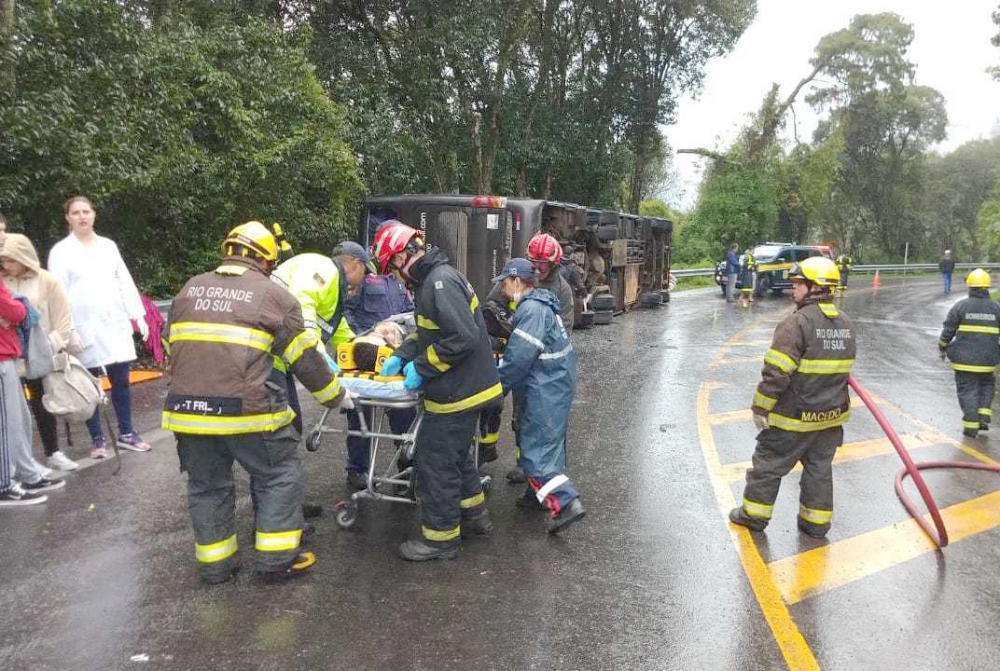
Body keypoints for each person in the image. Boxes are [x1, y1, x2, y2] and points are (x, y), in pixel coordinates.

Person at [162, 221, 356, 584]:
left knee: (207, 485)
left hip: (188, 413)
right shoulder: (273, 296)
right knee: (279, 476)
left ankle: (216, 565)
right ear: (266, 260)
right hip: (247, 412)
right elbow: (304, 358)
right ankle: (276, 560)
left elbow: (172, 348)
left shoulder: (188, 291)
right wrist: (336, 396)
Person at [372, 220, 501, 561]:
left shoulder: (438, 282)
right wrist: (401, 356)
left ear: (402, 257)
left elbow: (462, 337)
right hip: (464, 390)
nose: (395, 277)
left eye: (391, 268)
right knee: (456, 459)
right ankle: (474, 518)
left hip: (458, 393)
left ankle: (440, 540)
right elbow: (427, 333)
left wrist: (422, 368)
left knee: (435, 464)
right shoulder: (433, 280)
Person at [729, 257, 856, 538]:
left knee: (767, 465)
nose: (793, 288)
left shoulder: (796, 323)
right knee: (819, 470)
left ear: (815, 287)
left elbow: (776, 373)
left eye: (799, 283)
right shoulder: (845, 324)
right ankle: (815, 524)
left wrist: (760, 408)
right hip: (829, 419)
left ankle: (753, 516)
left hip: (793, 418)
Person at [48, 196, 151, 458]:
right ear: (68, 218)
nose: (82, 216)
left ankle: (127, 432)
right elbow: (57, 293)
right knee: (89, 382)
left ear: (94, 215)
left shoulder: (108, 246)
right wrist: (66, 329)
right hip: (82, 327)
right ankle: (97, 439)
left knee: (121, 380)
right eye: (76, 213)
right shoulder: (61, 252)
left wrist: (138, 315)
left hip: (113, 323)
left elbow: (124, 280)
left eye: (86, 211)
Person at [494, 258, 585, 534]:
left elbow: (519, 359)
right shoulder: (541, 304)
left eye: (505, 283)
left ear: (518, 282)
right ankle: (538, 497)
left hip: (546, 385)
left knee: (536, 450)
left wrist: (495, 388)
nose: (502, 289)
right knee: (547, 442)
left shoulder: (532, 310)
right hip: (554, 381)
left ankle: (567, 502)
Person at [270, 242, 372, 434]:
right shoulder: (325, 269)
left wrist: (363, 348)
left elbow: (338, 330)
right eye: (365, 272)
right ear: (355, 264)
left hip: (275, 356)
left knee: (289, 425)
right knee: (285, 429)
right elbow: (302, 303)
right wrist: (315, 349)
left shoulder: (332, 285)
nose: (364, 278)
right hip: (267, 355)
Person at [1, 233, 82, 471]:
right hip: (9, 355)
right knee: (12, 412)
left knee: (43, 404)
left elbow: (63, 320)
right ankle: (18, 461)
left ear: (23, 256)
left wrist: (49, 347)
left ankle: (52, 452)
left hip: (39, 353)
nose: (6, 265)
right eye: (3, 261)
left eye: (11, 260)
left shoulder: (46, 280)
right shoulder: (1, 280)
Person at [340, 250, 416, 490]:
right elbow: (344, 310)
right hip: (365, 353)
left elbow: (410, 316)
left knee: (403, 416)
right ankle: (357, 470)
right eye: (402, 253)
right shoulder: (362, 280)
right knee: (360, 415)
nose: (405, 258)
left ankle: (405, 470)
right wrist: (361, 336)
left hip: (392, 356)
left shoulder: (399, 285)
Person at [0, 268, 65, 506]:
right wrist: (17, 309)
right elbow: (15, 309)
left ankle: (26, 474)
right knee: (7, 424)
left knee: (19, 419)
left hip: (7, 354)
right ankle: (4, 484)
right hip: (2, 356)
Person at [938, 269, 1000, 438]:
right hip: (988, 360)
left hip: (964, 361)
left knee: (968, 390)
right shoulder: (996, 308)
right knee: (987, 385)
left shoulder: (960, 306)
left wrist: (942, 346)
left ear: (970, 287)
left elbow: (948, 330)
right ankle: (984, 414)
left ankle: (971, 425)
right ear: (987, 287)